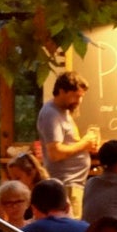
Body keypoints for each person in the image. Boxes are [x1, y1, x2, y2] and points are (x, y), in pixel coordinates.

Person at [38, 73, 99, 208]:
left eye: (81, 96)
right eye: (76, 96)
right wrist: (84, 144)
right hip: (66, 185)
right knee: (73, 226)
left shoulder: (64, 111)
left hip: (73, 184)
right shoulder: (51, 114)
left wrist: (87, 146)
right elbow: (55, 153)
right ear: (61, 91)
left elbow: (70, 145)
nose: (79, 101)